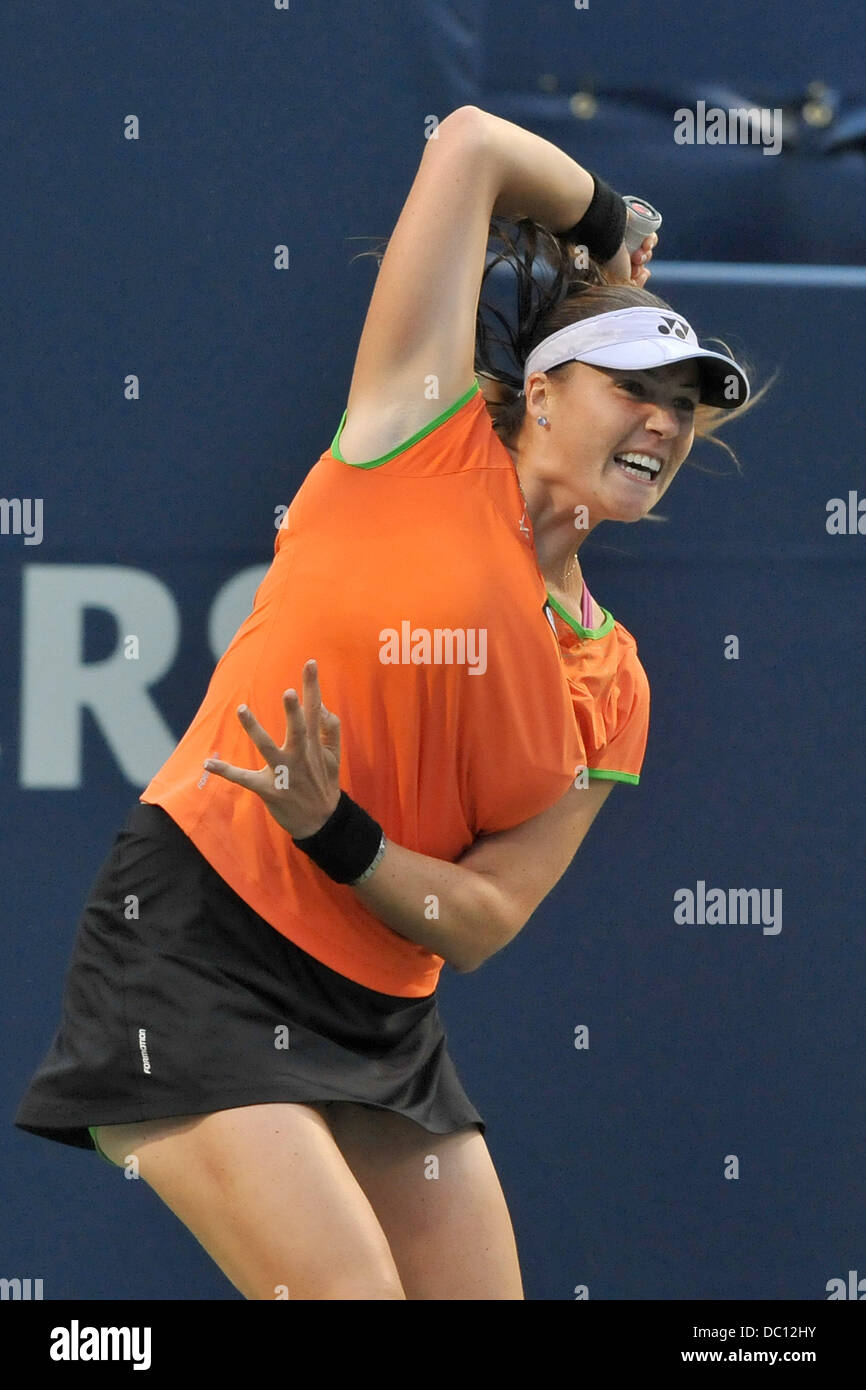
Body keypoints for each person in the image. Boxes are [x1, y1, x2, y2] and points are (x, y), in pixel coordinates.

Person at [15, 105, 760, 1300]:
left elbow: (477, 921)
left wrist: (340, 833)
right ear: (550, 391)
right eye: (635, 387)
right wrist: (610, 225)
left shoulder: (612, 684)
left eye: (684, 403)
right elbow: (467, 141)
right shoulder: (416, 430)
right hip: (199, 944)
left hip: (380, 1016)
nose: (663, 421)